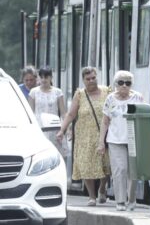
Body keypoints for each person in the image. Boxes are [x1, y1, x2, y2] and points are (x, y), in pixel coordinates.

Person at [57, 66, 111, 206]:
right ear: (83, 80)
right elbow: (71, 114)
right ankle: (92, 197)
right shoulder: (80, 94)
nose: (91, 81)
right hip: (84, 137)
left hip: (103, 135)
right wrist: (62, 130)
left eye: (93, 78)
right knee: (86, 165)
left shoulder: (106, 92)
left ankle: (102, 188)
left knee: (107, 164)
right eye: (88, 79)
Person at [99, 70, 143, 211]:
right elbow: (105, 122)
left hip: (133, 139)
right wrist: (101, 142)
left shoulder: (138, 98)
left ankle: (131, 200)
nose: (124, 86)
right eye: (121, 82)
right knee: (120, 170)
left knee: (133, 171)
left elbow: (142, 119)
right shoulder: (110, 99)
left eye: (128, 83)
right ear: (115, 84)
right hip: (115, 140)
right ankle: (120, 201)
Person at [28, 67, 67, 157]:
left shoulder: (58, 92)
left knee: (56, 155)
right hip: (39, 128)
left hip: (54, 128)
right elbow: (30, 113)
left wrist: (65, 128)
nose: (43, 79)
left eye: (46, 77)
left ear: (51, 78)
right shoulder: (34, 92)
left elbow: (63, 112)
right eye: (41, 77)